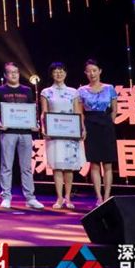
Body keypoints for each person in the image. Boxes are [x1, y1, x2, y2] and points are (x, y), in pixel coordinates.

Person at [0, 62, 44, 210]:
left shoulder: (27, 90)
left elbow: (31, 110)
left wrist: (34, 123)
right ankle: (6, 197)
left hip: (25, 133)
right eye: (10, 72)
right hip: (8, 132)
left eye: (16, 72)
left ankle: (30, 198)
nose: (13, 75)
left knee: (26, 167)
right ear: (5, 75)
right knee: (6, 166)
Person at [40, 62, 86, 209]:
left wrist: (82, 128)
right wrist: (44, 128)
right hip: (54, 133)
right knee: (57, 166)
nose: (59, 74)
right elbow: (44, 113)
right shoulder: (46, 92)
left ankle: (68, 198)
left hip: (70, 133)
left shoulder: (73, 92)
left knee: (69, 167)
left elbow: (78, 112)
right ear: (51, 74)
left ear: (65, 73)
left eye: (61, 71)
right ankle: (59, 198)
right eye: (55, 71)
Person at [79, 59, 117, 205]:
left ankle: (107, 196)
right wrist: (83, 128)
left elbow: (114, 109)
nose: (92, 73)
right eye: (89, 71)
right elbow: (80, 112)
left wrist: (109, 122)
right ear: (85, 73)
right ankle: (99, 197)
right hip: (90, 125)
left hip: (106, 125)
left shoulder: (109, 88)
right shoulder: (81, 90)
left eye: (94, 70)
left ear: (100, 71)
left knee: (107, 164)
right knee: (94, 164)